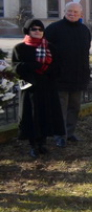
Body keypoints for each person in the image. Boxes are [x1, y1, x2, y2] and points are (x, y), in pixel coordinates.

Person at [11, 19, 65, 158]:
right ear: (28, 31)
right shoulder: (20, 48)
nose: (37, 32)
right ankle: (33, 145)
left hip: (47, 87)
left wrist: (48, 70)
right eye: (34, 29)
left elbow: (58, 66)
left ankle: (42, 143)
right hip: (30, 88)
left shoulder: (50, 47)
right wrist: (33, 66)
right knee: (32, 116)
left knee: (46, 115)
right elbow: (15, 67)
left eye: (40, 29)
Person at [44, 1, 91, 147]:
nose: (72, 14)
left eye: (75, 12)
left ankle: (69, 132)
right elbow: (45, 51)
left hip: (78, 76)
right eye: (69, 11)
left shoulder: (84, 30)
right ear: (64, 11)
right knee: (60, 108)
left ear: (81, 14)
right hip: (59, 77)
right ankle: (59, 135)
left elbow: (85, 52)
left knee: (74, 107)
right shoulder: (53, 29)